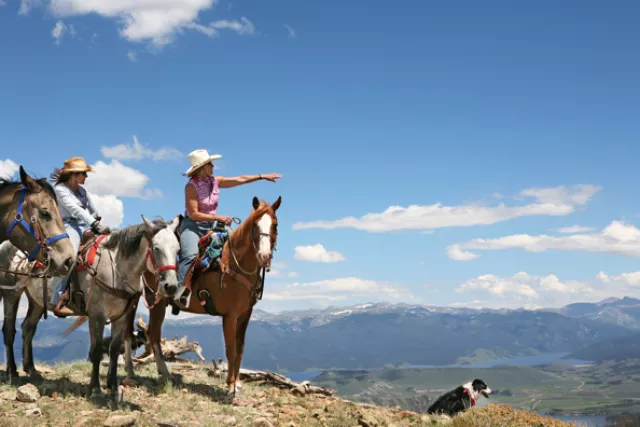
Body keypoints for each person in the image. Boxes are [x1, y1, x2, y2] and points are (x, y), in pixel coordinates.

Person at [175, 149, 281, 305]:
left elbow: (239, 179)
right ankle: (182, 291)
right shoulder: (191, 187)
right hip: (193, 226)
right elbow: (194, 214)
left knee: (238, 246)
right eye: (210, 164)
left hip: (212, 226)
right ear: (202, 167)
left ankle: (250, 284)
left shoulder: (215, 181)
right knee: (190, 255)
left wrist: (260, 177)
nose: (213, 166)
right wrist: (218, 217)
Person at [49, 157, 111, 317]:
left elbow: (92, 210)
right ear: (74, 175)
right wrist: (94, 224)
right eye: (84, 173)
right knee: (69, 256)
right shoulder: (60, 189)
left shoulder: (83, 191)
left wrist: (96, 221)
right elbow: (75, 210)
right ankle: (56, 300)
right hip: (68, 225)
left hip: (86, 225)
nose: (86, 177)